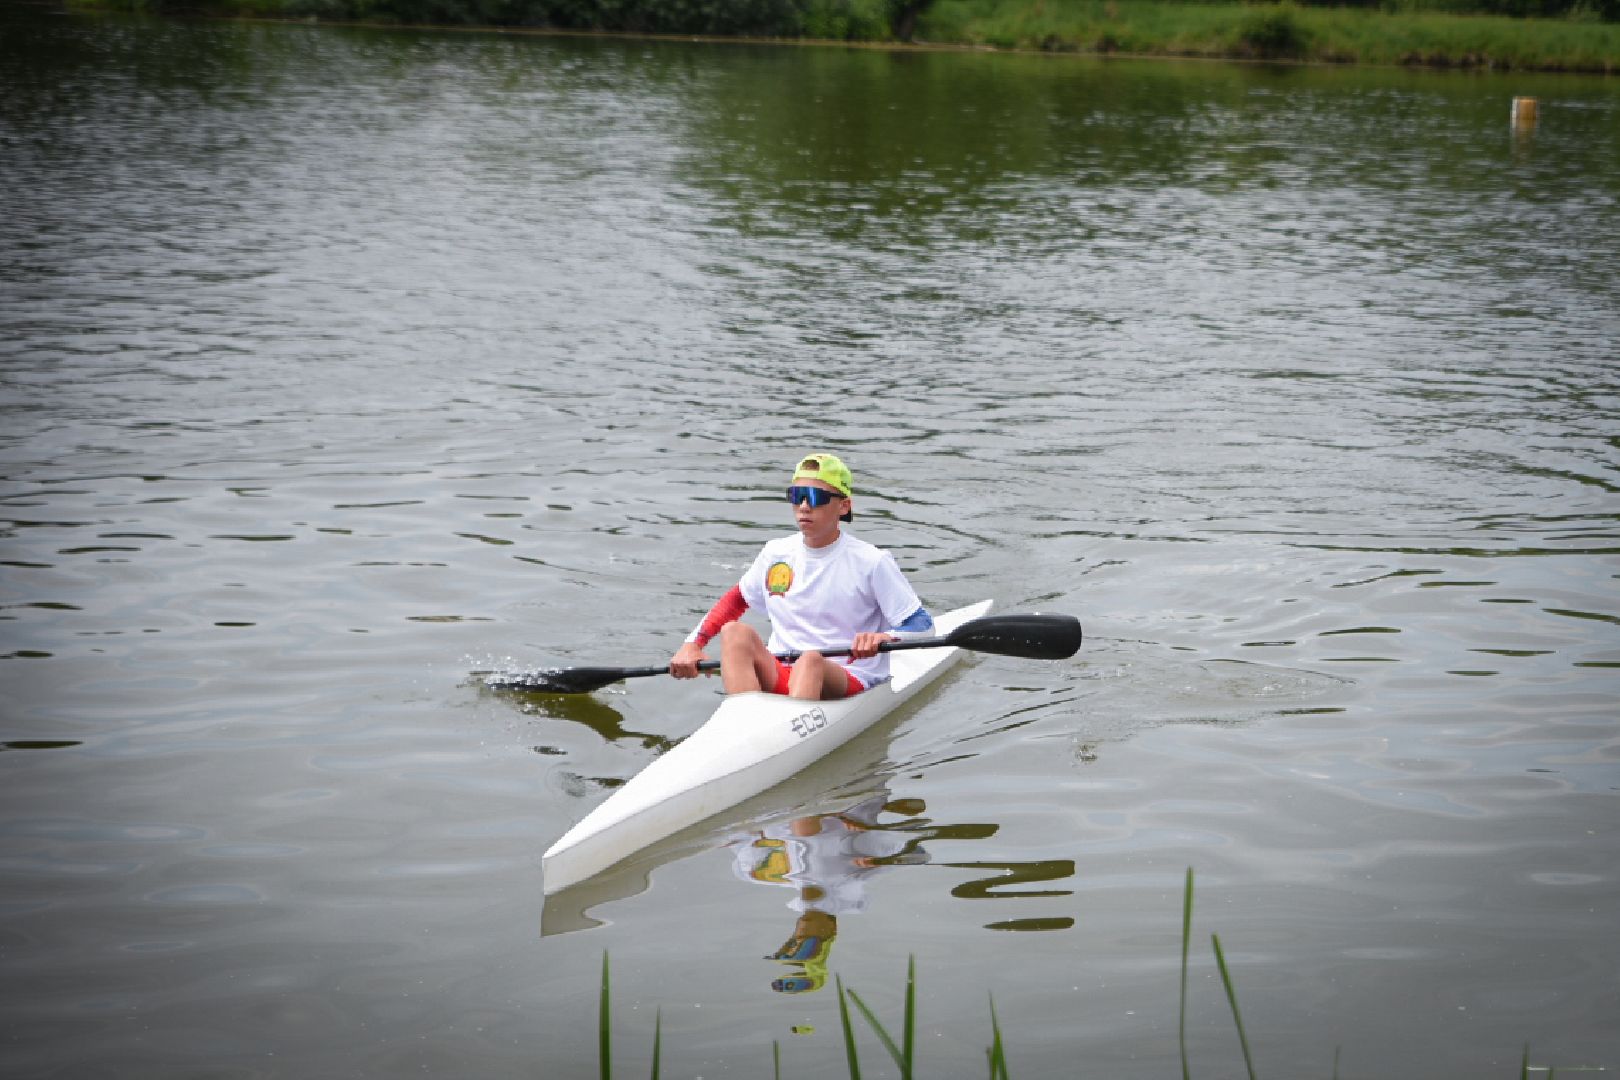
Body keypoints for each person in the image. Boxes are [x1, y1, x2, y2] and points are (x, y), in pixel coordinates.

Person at [669, 452, 934, 700]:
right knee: (734, 632)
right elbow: (736, 600)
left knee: (810, 661)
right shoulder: (776, 552)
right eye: (797, 495)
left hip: (849, 675)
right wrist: (693, 644)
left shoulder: (872, 562)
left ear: (843, 506)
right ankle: (746, 715)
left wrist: (886, 638)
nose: (804, 506)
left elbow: (923, 625)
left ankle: (783, 732)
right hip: (782, 669)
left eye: (816, 497)